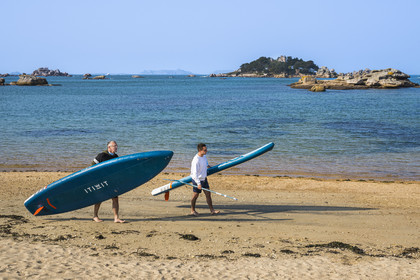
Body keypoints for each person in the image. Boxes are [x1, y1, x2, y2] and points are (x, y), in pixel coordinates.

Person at [92, 140, 125, 223]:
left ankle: (116, 218)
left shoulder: (116, 156)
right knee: (99, 199)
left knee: (115, 198)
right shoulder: (102, 155)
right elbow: (92, 165)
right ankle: (95, 216)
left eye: (116, 146)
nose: (116, 147)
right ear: (109, 147)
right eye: (114, 146)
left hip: (111, 181)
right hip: (101, 180)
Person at [190, 143, 220, 216]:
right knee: (195, 195)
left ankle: (212, 210)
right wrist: (198, 184)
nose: (206, 151)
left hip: (204, 179)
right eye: (205, 150)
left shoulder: (204, 156)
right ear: (200, 150)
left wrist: (212, 168)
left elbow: (206, 165)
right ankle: (192, 210)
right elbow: (194, 174)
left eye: (206, 149)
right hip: (197, 179)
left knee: (208, 194)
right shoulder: (196, 160)